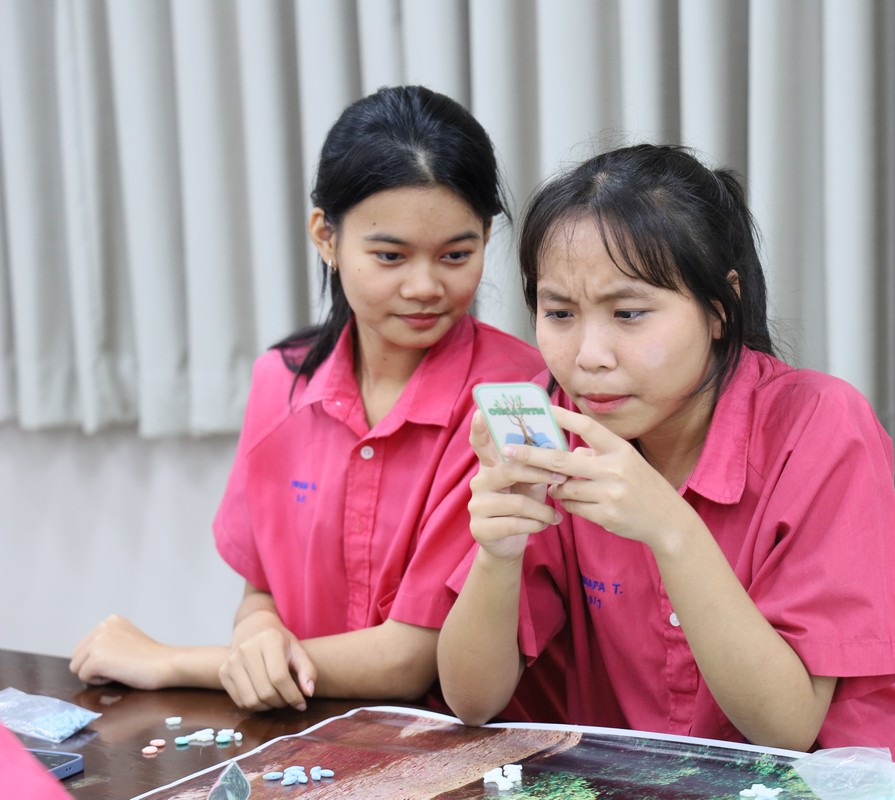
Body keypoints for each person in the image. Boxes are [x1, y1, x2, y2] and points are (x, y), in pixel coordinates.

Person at [437, 144, 895, 791]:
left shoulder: (820, 423)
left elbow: (785, 726)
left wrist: (671, 530)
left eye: (629, 313)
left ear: (719, 307)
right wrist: (499, 553)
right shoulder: (560, 427)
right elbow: (471, 701)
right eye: (560, 313)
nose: (589, 355)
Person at [70, 85, 549, 714]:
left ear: (486, 236)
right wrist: (255, 635)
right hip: (304, 736)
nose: (425, 286)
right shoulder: (281, 381)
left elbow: (411, 660)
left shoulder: (516, 396)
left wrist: (171, 662)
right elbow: (262, 589)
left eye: (456, 255)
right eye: (390, 256)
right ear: (326, 236)